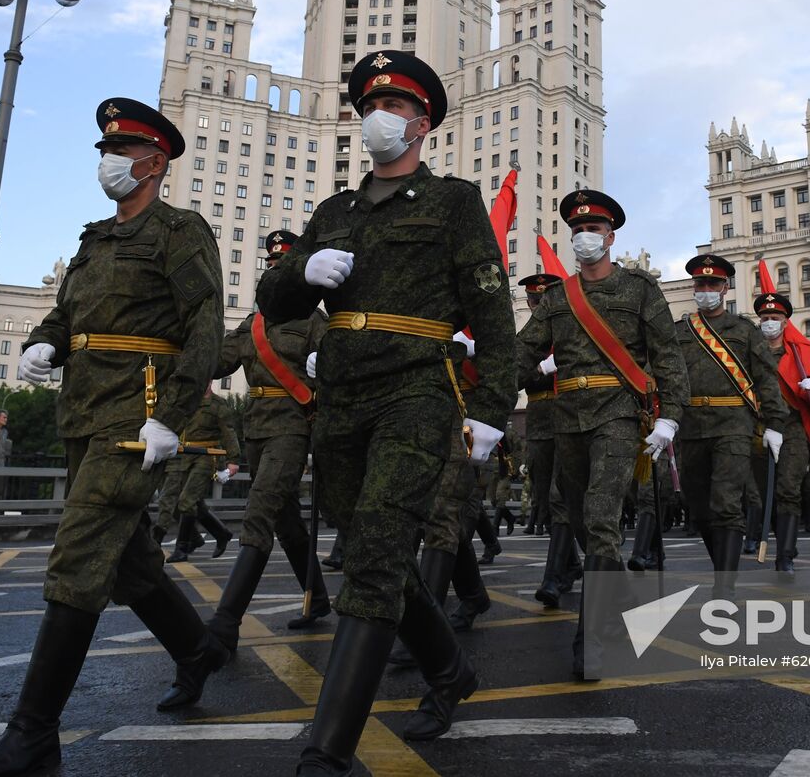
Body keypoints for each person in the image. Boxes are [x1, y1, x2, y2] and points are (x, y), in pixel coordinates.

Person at [255, 51, 517, 773]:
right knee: (369, 544)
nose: (379, 117)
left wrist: (491, 407)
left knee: (373, 555)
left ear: (423, 122)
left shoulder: (454, 202)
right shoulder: (333, 211)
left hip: (417, 392)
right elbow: (272, 300)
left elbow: (494, 316)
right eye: (370, 104)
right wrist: (298, 274)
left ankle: (326, 750)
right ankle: (449, 668)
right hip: (342, 398)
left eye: (396, 105)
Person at [0, 98, 226, 777]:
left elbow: (203, 326)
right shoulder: (95, 239)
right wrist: (42, 342)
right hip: (83, 413)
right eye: (105, 151)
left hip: (134, 422)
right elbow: (63, 312)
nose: (109, 162)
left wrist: (173, 413)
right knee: (130, 561)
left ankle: (32, 735)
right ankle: (196, 648)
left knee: (77, 557)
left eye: (122, 151)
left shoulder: (180, 230)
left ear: (155, 161)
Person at [515, 188, 690, 679]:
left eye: (593, 231)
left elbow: (667, 357)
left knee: (599, 515)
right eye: (577, 231)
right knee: (578, 518)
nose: (584, 238)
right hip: (566, 415)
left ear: (611, 237)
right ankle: (612, 599)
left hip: (616, 412)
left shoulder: (639, 289)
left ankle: (590, 640)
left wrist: (669, 416)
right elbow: (522, 352)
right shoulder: (556, 298)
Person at [207, 229, 333, 655]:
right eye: (272, 263)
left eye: (284, 263)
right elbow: (217, 360)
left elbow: (338, 370)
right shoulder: (252, 323)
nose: (276, 269)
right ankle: (317, 596)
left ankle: (224, 626)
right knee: (286, 522)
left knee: (259, 514)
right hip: (256, 428)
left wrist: (327, 364)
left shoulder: (315, 321)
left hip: (293, 427)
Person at [672, 254, 786, 597]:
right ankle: (723, 567)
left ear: (726, 288)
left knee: (725, 502)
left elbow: (766, 377)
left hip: (733, 424)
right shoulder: (680, 331)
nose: (706, 290)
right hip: (691, 426)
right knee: (699, 504)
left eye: (713, 284)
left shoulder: (744, 331)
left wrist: (774, 422)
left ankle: (725, 585)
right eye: (701, 284)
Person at [752, 290, 810, 578]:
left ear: (786, 321)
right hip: (757, 427)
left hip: (791, 428)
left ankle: (784, 554)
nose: (769, 322)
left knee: (787, 490)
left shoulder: (801, 352)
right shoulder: (750, 351)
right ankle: (782, 538)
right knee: (761, 495)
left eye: (775, 317)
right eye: (764, 317)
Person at [154, 387, 240, 562]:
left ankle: (182, 548)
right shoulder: (186, 401)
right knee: (189, 503)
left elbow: (228, 432)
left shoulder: (218, 405)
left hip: (206, 456)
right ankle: (219, 534)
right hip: (184, 454)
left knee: (187, 501)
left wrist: (233, 460)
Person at [518, 273, 561, 536]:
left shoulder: (565, 331)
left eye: (544, 300)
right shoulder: (527, 337)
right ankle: (541, 517)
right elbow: (517, 375)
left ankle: (558, 522)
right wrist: (542, 369)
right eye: (536, 301)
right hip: (537, 416)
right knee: (540, 474)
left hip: (565, 411)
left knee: (563, 475)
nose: (539, 306)